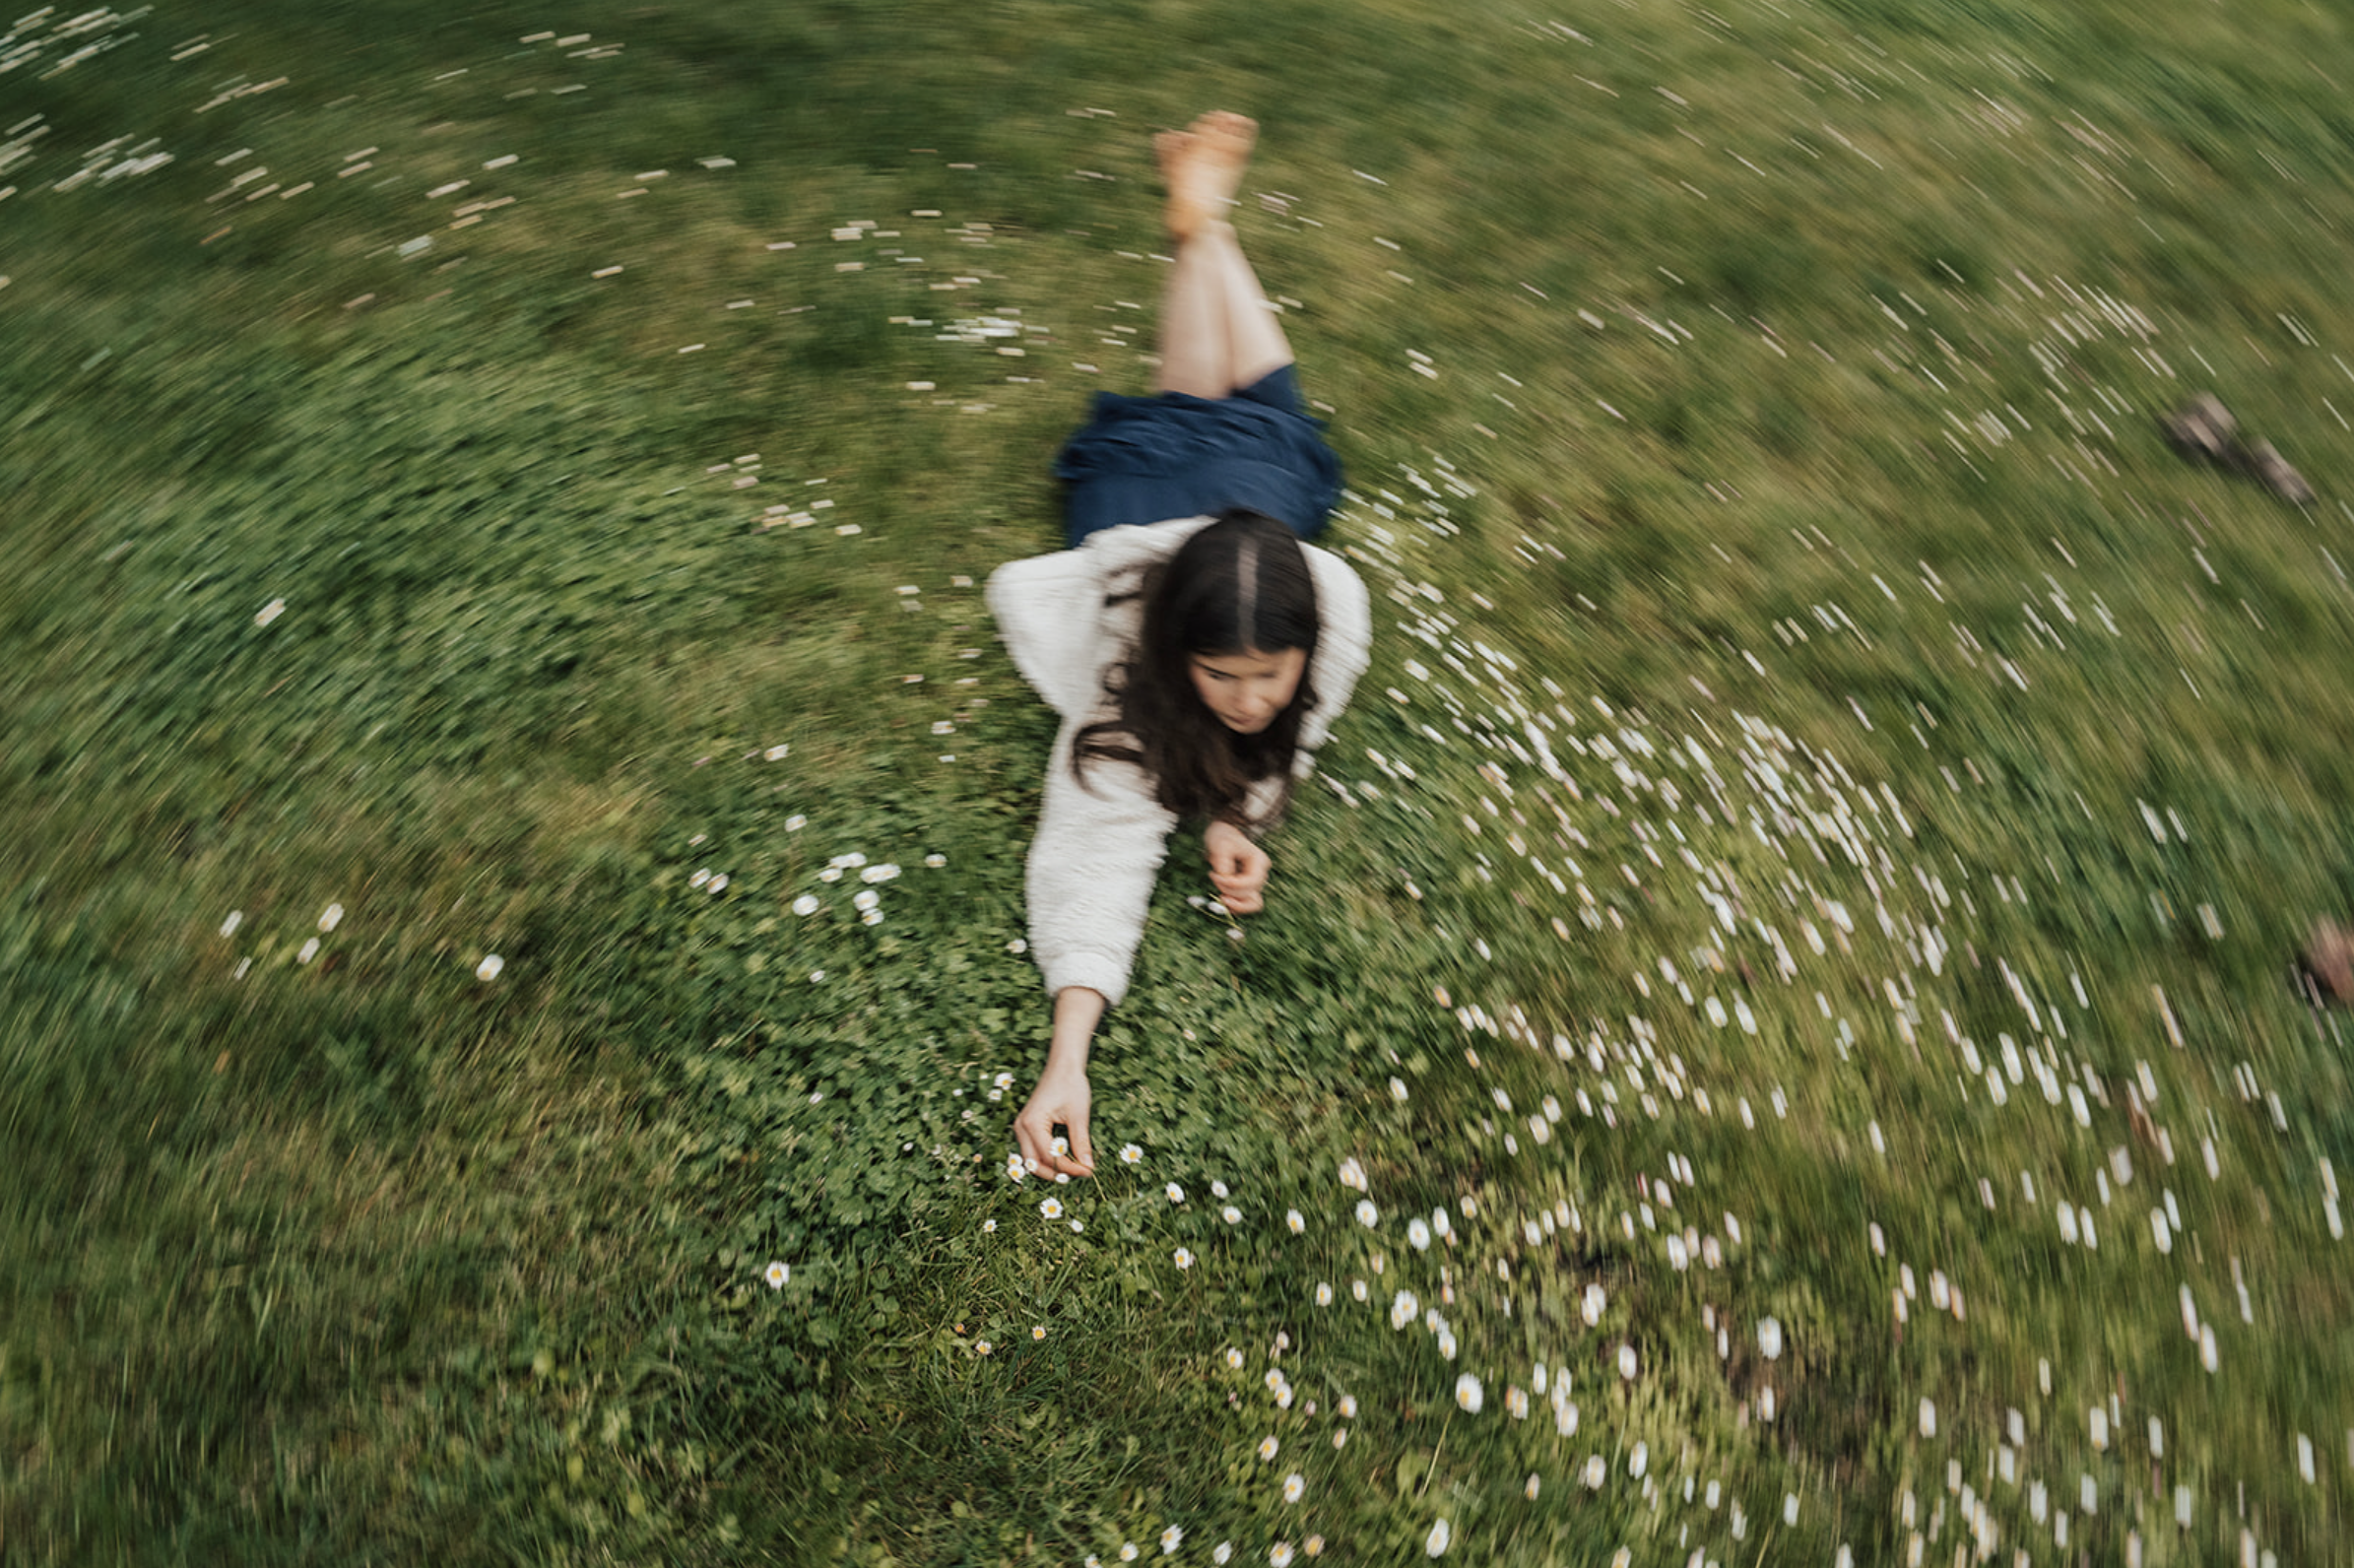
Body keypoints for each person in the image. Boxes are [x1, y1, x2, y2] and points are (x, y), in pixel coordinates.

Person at [985, 112, 1372, 1181]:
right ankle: (1204, 223)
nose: (1248, 702)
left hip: (1247, 509)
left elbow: (1289, 734)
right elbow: (1092, 851)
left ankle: (1203, 223)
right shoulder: (1128, 669)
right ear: (1175, 653)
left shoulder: (1330, 613)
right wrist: (1067, 1056)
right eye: (1219, 675)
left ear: (1303, 641)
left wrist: (1242, 813)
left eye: (1268, 675)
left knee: (1233, 411)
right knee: (1262, 414)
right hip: (1139, 510)